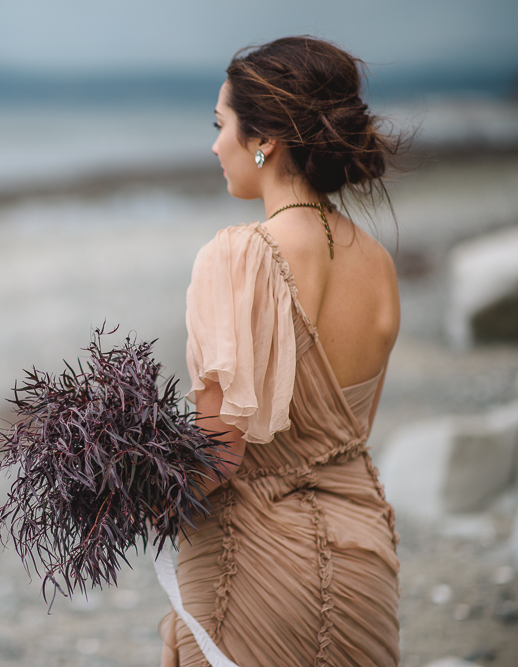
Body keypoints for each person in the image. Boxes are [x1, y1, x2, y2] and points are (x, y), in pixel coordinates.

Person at [159, 36, 403, 666]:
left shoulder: (237, 256)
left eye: (221, 125)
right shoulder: (379, 265)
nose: (216, 146)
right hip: (364, 564)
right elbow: (350, 439)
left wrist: (131, 491)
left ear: (264, 137)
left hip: (254, 567)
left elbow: (219, 451)